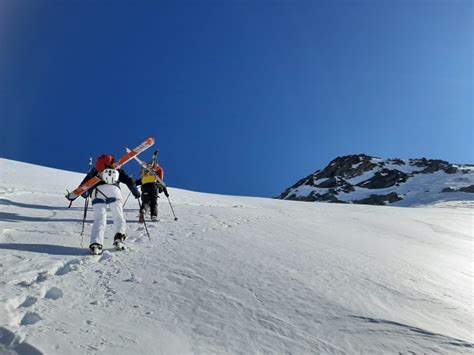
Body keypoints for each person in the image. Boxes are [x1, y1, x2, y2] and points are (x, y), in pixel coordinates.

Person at [81, 154, 140, 255]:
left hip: (97, 192)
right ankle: (119, 238)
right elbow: (129, 181)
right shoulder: (117, 169)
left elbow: (83, 188)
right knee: (118, 216)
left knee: (99, 218)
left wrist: (85, 194)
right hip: (114, 191)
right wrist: (136, 193)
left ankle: (96, 244)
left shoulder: (95, 171)